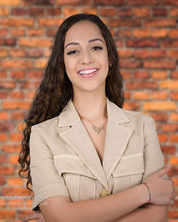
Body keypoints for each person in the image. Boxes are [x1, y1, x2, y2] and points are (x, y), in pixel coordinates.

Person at [18, 14, 175, 222]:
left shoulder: (143, 126)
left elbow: (157, 217)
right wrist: (144, 192)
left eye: (96, 47)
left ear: (109, 57)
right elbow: (60, 217)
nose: (86, 58)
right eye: (73, 51)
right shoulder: (42, 135)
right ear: (62, 64)